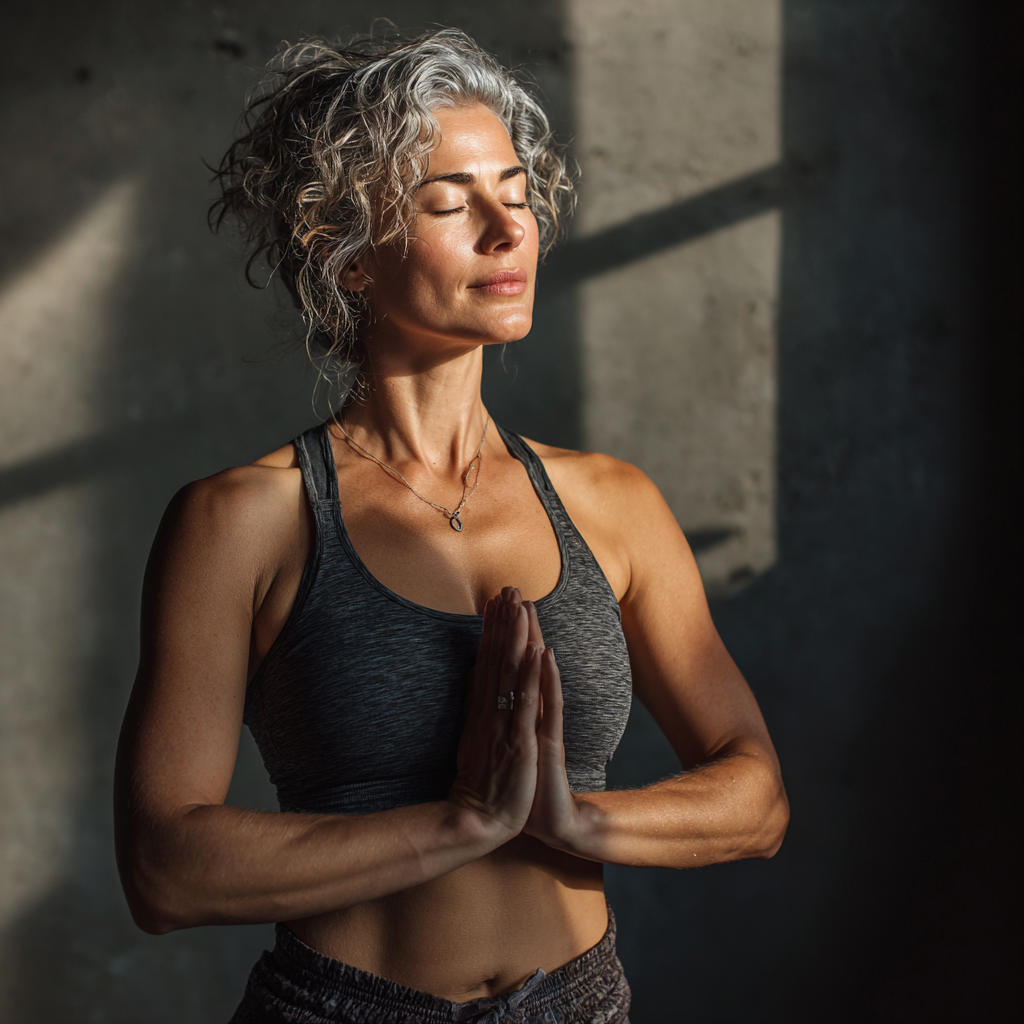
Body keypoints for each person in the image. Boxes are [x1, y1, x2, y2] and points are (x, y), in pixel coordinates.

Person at [113, 28, 789, 1024]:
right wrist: (462, 823)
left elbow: (757, 797)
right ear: (345, 256)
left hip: (578, 1004)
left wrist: (574, 818)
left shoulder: (611, 503)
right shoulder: (243, 521)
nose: (507, 230)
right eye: (449, 201)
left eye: (515, 193)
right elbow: (166, 869)